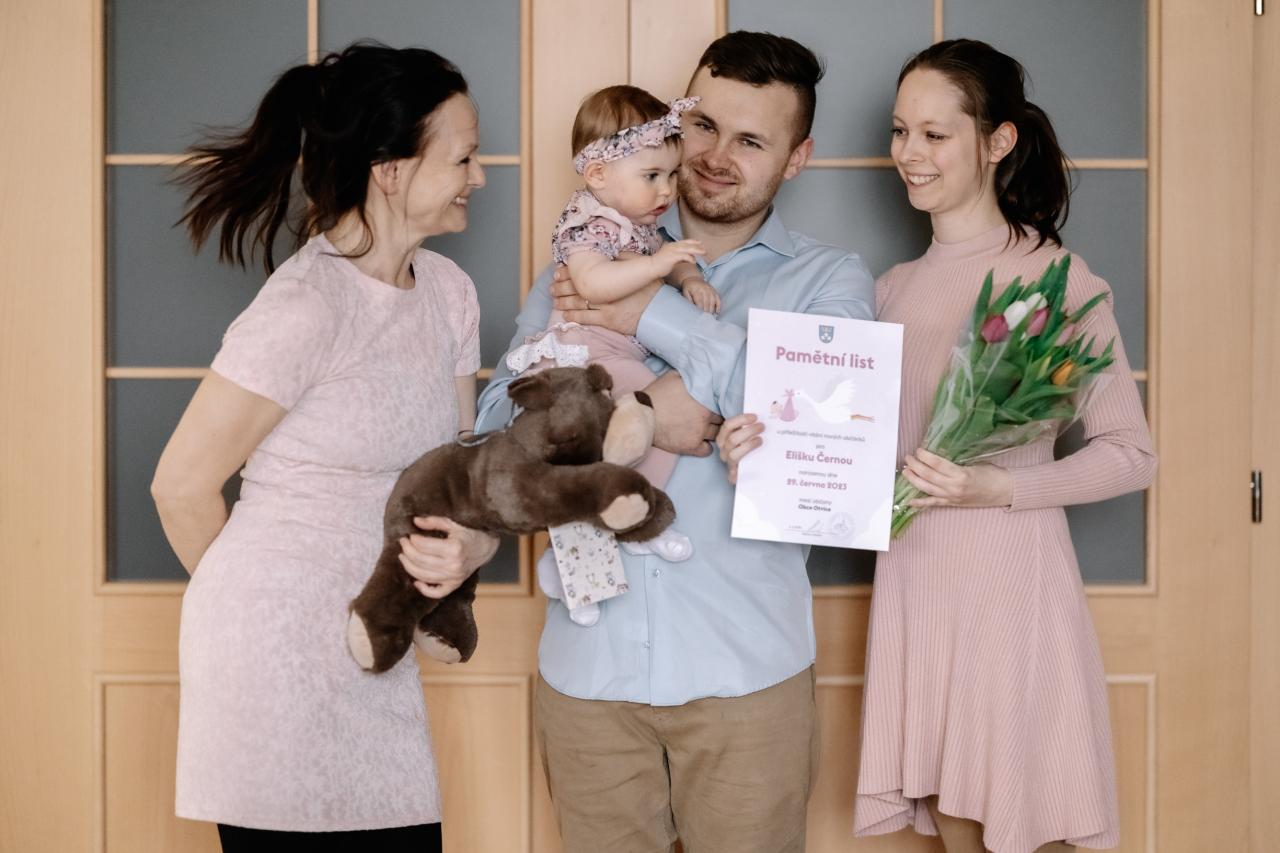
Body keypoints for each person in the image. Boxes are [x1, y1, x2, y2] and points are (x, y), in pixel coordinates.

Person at [721, 38, 1157, 853]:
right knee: (957, 832)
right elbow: (855, 471)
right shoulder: (889, 292)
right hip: (918, 595)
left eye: (934, 134)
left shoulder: (1055, 281)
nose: (909, 154)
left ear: (997, 142)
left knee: (1024, 827)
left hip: (1012, 595)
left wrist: (999, 487)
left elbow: (1133, 454)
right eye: (899, 131)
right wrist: (764, 457)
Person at [477, 31, 874, 853]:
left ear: (796, 158)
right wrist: (656, 411)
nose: (715, 157)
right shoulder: (578, 258)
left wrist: (646, 314)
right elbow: (491, 443)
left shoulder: (830, 283)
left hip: (747, 680)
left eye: (751, 141)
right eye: (702, 126)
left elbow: (827, 437)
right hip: (589, 677)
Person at [150, 43, 499, 851]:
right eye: (463, 157)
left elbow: (455, 474)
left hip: (376, 640)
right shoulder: (306, 305)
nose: (479, 176)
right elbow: (180, 486)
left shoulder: (449, 293)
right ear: (390, 170)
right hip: (274, 661)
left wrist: (473, 546)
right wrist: (275, 605)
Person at [507, 86, 712, 626]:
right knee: (611, 444)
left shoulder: (643, 228)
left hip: (614, 359)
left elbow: (669, 260)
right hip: (579, 361)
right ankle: (570, 563)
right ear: (598, 175)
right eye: (652, 175)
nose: (667, 189)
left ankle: (637, 524)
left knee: (659, 432)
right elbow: (594, 283)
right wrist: (659, 266)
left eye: (672, 174)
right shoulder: (587, 224)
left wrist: (687, 277)